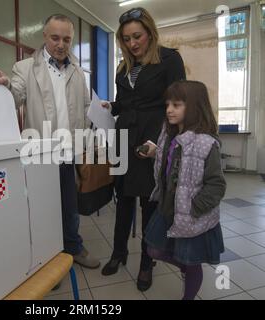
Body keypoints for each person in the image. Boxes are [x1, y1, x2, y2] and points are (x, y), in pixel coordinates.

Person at [0, 14, 100, 269]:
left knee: (70, 207)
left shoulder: (78, 73)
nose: (61, 44)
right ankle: (46, 258)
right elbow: (15, 96)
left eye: (67, 39)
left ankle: (73, 247)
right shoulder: (24, 68)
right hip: (39, 151)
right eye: (55, 38)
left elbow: (83, 108)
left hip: (68, 150)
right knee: (41, 209)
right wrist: (5, 86)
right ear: (44, 37)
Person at [101, 7, 186, 292]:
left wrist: (165, 142)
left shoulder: (169, 59)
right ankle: (118, 252)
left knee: (150, 204)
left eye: (137, 36)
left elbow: (178, 104)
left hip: (153, 138)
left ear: (150, 33)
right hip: (124, 137)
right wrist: (109, 107)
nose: (132, 43)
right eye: (126, 39)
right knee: (122, 198)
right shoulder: (123, 69)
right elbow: (123, 103)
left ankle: (147, 262)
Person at [145, 80, 226, 300]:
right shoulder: (168, 134)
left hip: (192, 214)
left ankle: (188, 293)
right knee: (153, 249)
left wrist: (194, 207)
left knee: (192, 263)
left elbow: (217, 185)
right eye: (168, 104)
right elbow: (172, 165)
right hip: (168, 207)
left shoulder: (206, 143)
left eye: (177, 105)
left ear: (194, 107)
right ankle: (186, 266)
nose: (169, 109)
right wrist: (154, 153)